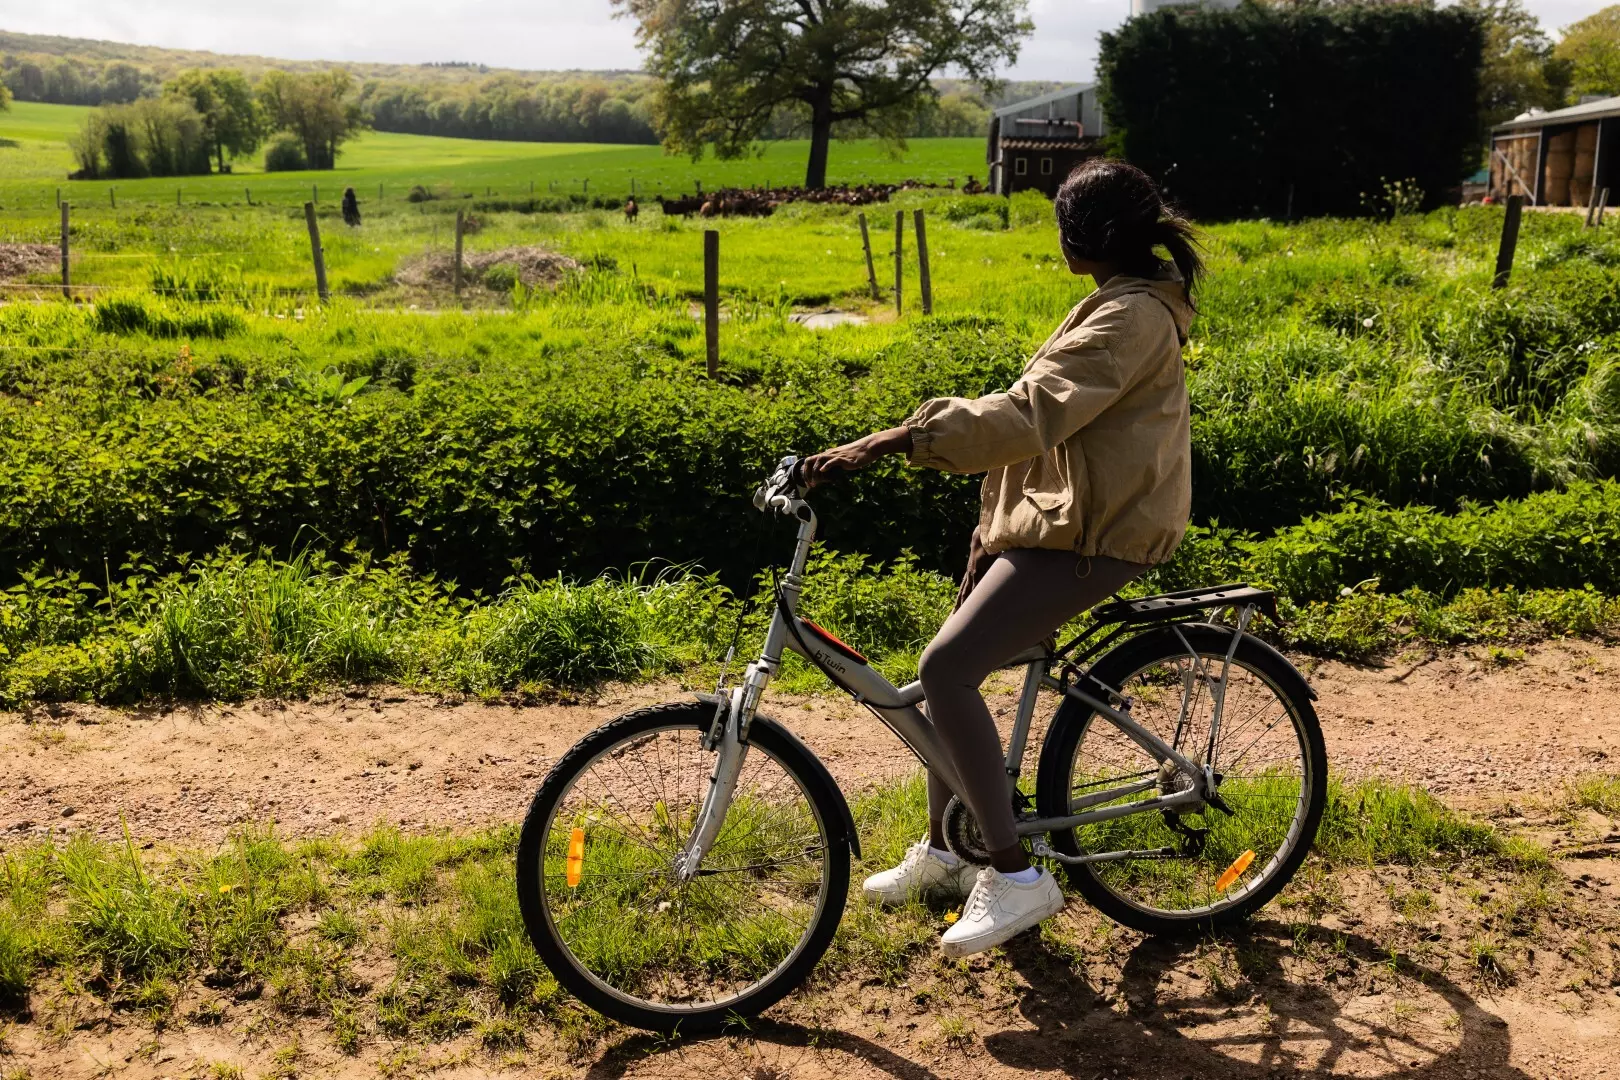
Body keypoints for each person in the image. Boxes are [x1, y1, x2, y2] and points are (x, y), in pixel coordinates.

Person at [800, 159, 1203, 958]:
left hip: (1099, 536)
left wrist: (895, 440)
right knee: (953, 674)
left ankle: (1019, 877)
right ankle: (949, 855)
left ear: (1087, 239)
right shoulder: (1115, 300)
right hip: (1056, 523)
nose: (1057, 240)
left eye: (1062, 227)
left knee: (946, 670)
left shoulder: (1131, 319)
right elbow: (1047, 430)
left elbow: (1030, 415)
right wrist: (993, 525)